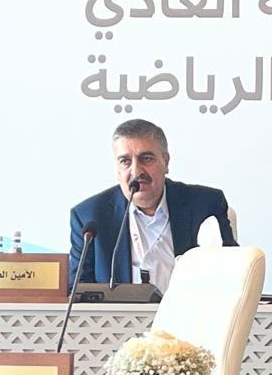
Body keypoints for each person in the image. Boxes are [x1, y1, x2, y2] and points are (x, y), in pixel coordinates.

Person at [68, 119, 236, 292]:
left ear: (166, 162)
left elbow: (234, 276)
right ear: (117, 169)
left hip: (192, 308)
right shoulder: (89, 217)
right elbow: (78, 291)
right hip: (120, 310)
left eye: (146, 159)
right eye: (125, 161)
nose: (136, 171)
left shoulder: (206, 205)